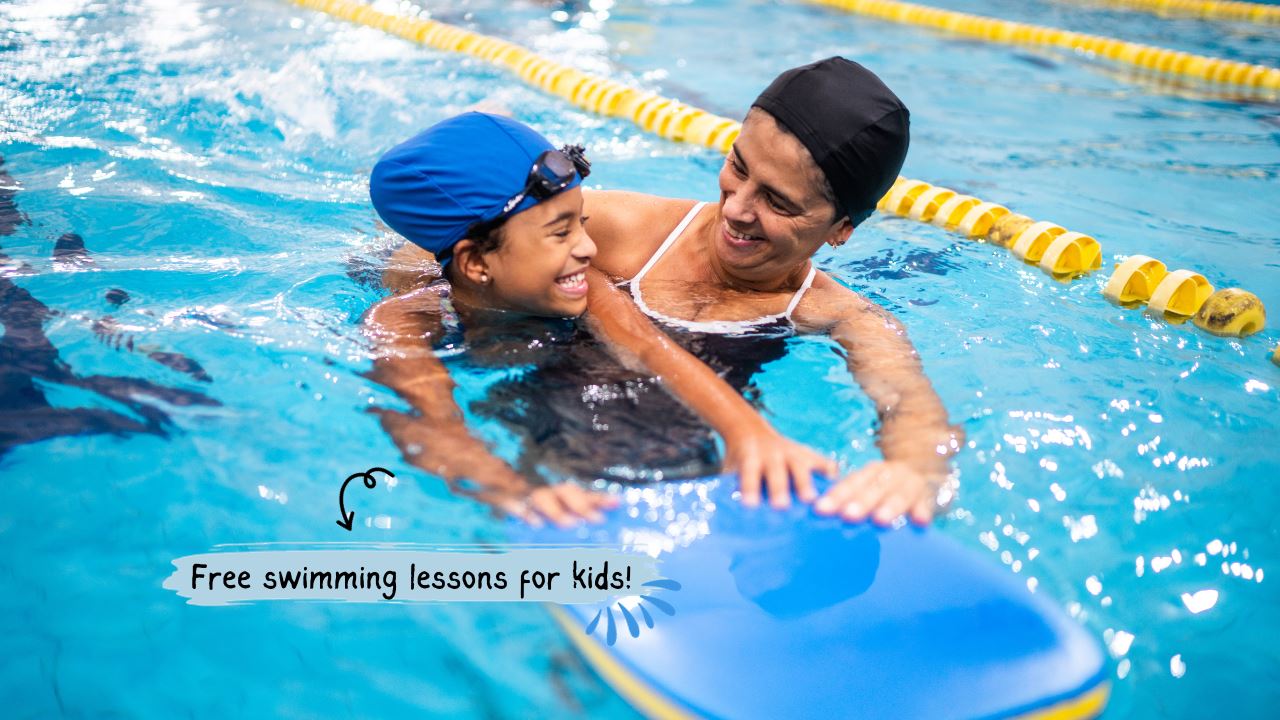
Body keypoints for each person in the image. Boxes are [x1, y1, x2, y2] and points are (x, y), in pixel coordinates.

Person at [362, 112, 836, 528]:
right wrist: (515, 490)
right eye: (560, 232)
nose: (589, 249)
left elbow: (649, 348)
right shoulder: (402, 323)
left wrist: (747, 432)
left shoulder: (590, 283)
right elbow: (429, 426)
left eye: (582, 223)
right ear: (477, 265)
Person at [577, 57, 962, 526]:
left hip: (664, 485)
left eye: (777, 201)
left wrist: (913, 472)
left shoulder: (835, 313)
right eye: (738, 167)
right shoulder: (626, 230)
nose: (737, 209)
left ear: (840, 230)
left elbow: (908, 403)